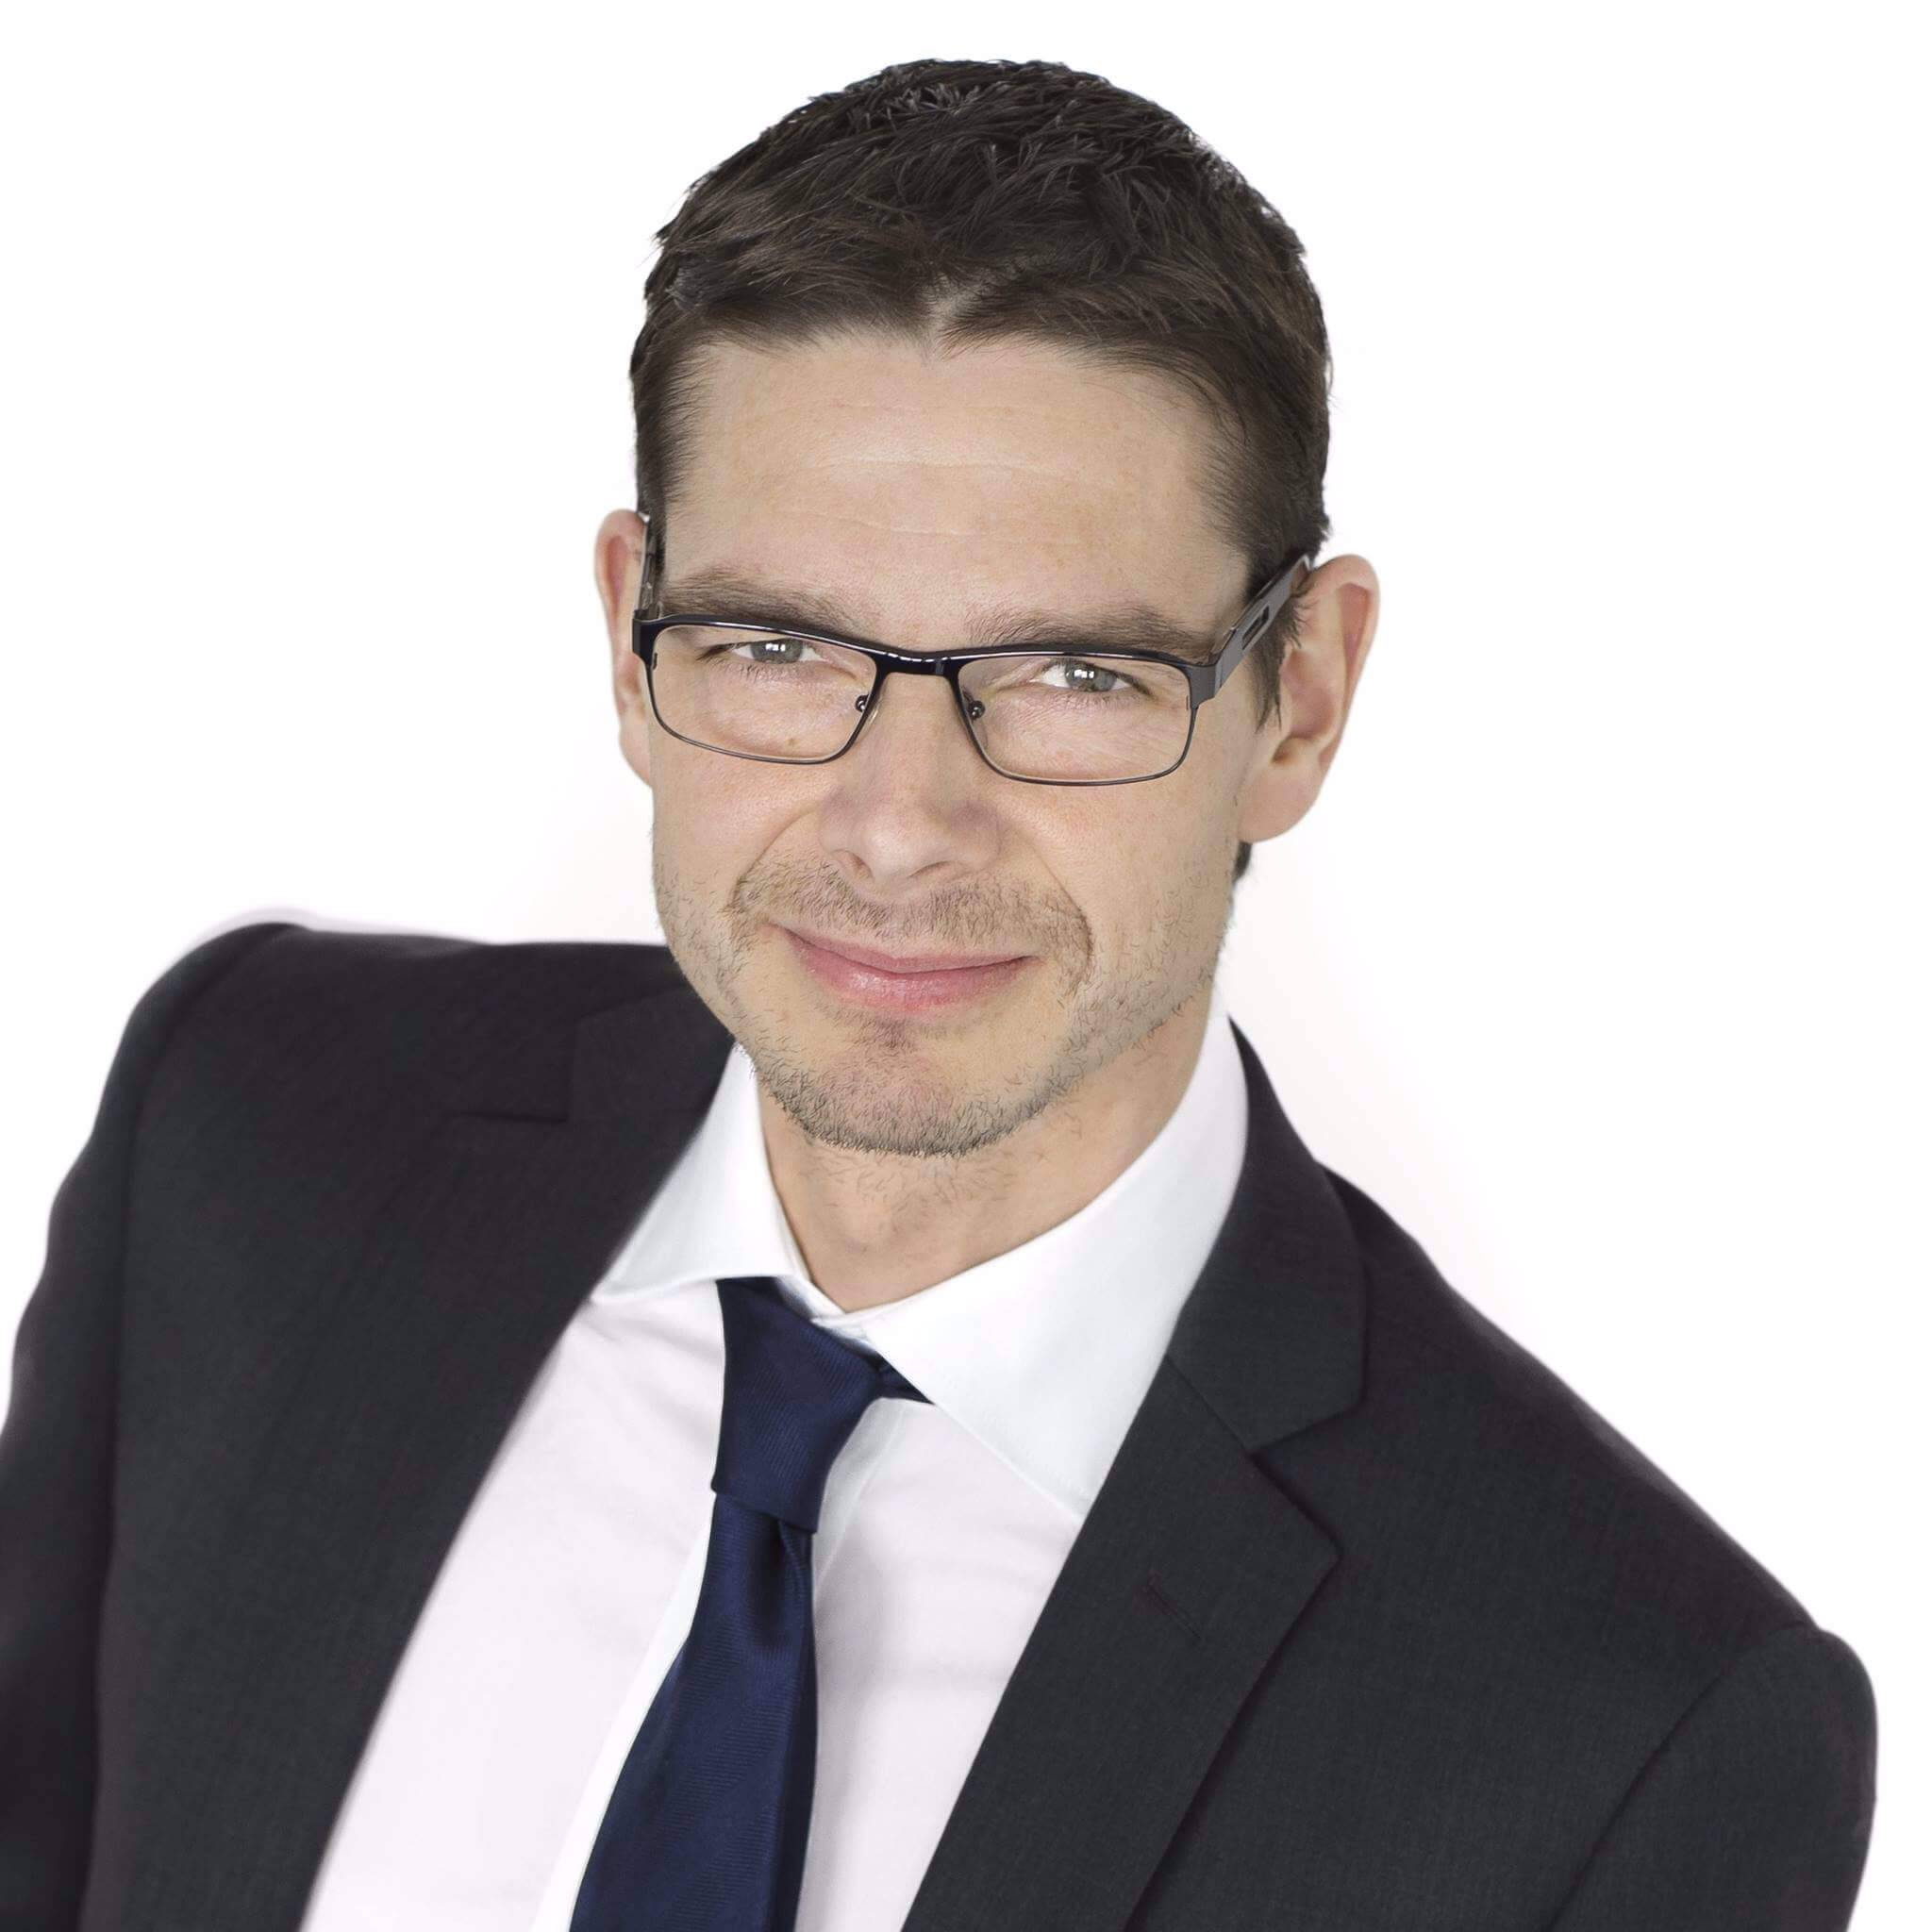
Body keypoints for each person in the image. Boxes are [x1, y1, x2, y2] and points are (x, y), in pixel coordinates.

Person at [0, 54, 1876, 1932]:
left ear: (1299, 698)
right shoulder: (242, 1132)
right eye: (776, 645)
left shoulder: (1630, 1728)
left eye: (1074, 675)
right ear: (631, 642)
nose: (901, 828)